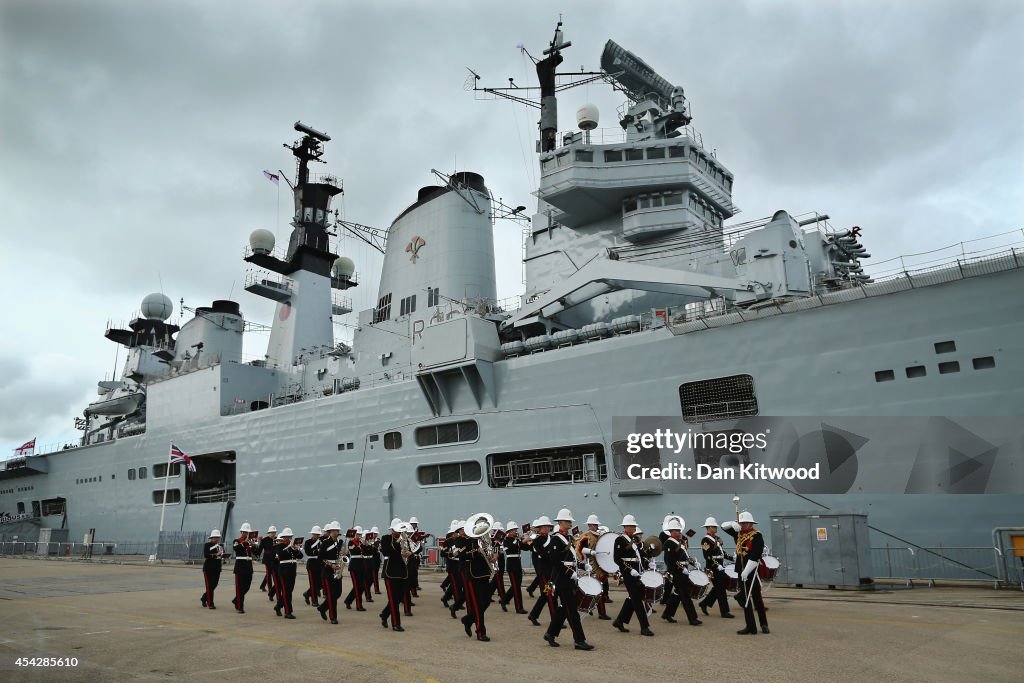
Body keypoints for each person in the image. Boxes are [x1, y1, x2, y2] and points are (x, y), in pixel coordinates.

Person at [543, 508, 594, 650]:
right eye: (567, 521)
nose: (570, 523)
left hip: (570, 578)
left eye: (570, 521)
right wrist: (568, 572)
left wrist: (583, 566)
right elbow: (554, 561)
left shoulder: (568, 538)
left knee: (564, 609)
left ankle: (550, 633)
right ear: (560, 522)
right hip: (562, 580)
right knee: (572, 611)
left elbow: (571, 559)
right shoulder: (555, 539)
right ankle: (579, 640)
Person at [722, 511, 769, 635]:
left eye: (745, 523)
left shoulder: (757, 536)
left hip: (752, 571)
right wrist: (732, 524)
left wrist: (747, 571)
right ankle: (750, 626)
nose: (742, 525)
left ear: (750, 523)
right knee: (746, 599)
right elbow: (723, 526)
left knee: (757, 598)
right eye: (741, 523)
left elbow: (755, 555)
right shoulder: (738, 533)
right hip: (740, 570)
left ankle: (764, 624)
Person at [611, 515, 654, 636]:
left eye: (634, 526)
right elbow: (617, 558)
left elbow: (639, 557)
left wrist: (647, 564)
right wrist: (629, 570)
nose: (634, 528)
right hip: (629, 573)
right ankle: (644, 627)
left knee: (634, 597)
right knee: (637, 599)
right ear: (625, 526)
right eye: (631, 526)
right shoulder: (620, 540)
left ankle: (619, 620)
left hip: (637, 572)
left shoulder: (634, 540)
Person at [661, 517, 702, 626]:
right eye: (676, 531)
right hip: (676, 572)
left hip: (683, 571)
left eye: (679, 530)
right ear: (671, 532)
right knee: (685, 596)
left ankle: (667, 613)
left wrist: (693, 563)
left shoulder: (680, 542)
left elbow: (685, 557)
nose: (678, 532)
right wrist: (681, 568)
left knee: (678, 593)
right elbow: (670, 560)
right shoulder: (668, 543)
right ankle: (693, 618)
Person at [460, 514, 495, 642]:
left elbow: (494, 549)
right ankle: (480, 632)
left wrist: (495, 554)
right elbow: (462, 555)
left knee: (485, 602)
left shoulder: (486, 539)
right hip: (473, 575)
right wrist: (477, 552)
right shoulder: (466, 541)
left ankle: (468, 620)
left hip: (484, 573)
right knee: (478, 605)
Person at [698, 517, 735, 619]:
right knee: (721, 589)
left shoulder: (717, 538)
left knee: (720, 587)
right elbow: (707, 556)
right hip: (713, 568)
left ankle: (704, 603)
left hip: (720, 566)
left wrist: (732, 558)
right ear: (709, 527)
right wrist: (716, 564)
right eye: (714, 526)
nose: (716, 528)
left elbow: (721, 553)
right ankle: (725, 612)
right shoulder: (705, 540)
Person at [576, 514, 611, 620]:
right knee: (597, 588)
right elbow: (579, 549)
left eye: (596, 525)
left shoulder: (599, 535)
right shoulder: (586, 536)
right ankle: (601, 612)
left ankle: (587, 606)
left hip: (601, 564)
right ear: (590, 525)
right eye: (594, 524)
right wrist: (590, 552)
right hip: (592, 564)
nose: (596, 526)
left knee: (597, 587)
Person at [380, 519, 411, 632]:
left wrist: (409, 553)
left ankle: (384, 614)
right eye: (398, 529)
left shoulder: (405, 538)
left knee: (397, 599)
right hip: (390, 572)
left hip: (402, 572)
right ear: (393, 529)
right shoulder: (386, 538)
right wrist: (397, 541)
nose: (400, 531)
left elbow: (409, 550)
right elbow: (385, 551)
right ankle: (396, 624)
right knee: (393, 599)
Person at [526, 516, 556, 626]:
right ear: (541, 528)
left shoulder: (552, 538)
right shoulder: (537, 541)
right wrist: (554, 555)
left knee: (545, 595)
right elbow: (543, 555)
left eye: (549, 526)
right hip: (545, 573)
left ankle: (533, 615)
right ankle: (555, 620)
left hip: (551, 572)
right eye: (547, 526)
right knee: (550, 595)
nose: (548, 528)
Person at [317, 521, 343, 624]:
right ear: (331, 531)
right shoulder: (325, 543)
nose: (337, 532)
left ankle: (323, 608)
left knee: (338, 593)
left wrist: (344, 554)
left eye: (338, 530)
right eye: (336, 530)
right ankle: (333, 617)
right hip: (328, 571)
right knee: (332, 595)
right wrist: (330, 565)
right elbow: (320, 558)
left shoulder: (340, 542)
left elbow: (341, 555)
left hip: (337, 570)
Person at [499, 520, 527, 614]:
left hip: (518, 564)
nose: (516, 531)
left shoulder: (517, 540)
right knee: (516, 587)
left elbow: (525, 548)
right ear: (509, 531)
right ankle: (519, 608)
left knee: (516, 585)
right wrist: (518, 540)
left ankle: (504, 600)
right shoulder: (506, 540)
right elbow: (509, 548)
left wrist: (527, 541)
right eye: (514, 530)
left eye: (516, 530)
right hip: (511, 565)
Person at [274, 528, 301, 619]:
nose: (289, 538)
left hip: (292, 571)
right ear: (283, 537)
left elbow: (300, 556)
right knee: (286, 592)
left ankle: (278, 606)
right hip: (284, 571)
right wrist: (290, 546)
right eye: (287, 537)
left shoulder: (292, 546)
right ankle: (288, 612)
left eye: (290, 537)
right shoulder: (279, 546)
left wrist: (296, 549)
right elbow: (281, 555)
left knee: (289, 591)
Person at [231, 522, 258, 613]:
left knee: (247, 586)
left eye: (248, 533)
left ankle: (236, 600)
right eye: (245, 532)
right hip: (240, 567)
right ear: (241, 532)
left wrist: (254, 545)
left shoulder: (249, 542)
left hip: (248, 567)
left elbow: (256, 553)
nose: (246, 534)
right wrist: (244, 543)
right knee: (240, 587)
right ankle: (240, 606)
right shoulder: (237, 541)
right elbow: (236, 549)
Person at [344, 527, 367, 611]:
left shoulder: (360, 542)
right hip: (354, 566)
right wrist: (361, 545)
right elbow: (354, 551)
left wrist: (365, 544)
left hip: (361, 566)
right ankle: (359, 605)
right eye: (358, 534)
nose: (359, 536)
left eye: (360, 534)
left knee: (361, 586)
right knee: (357, 587)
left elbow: (366, 551)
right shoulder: (351, 542)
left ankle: (348, 600)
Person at [200, 529, 223, 609]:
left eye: (217, 537)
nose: (216, 539)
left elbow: (221, 554)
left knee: (214, 585)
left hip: (217, 568)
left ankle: (204, 597)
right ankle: (210, 603)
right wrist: (216, 554)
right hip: (208, 568)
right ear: (211, 538)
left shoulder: (220, 546)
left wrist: (223, 554)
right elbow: (206, 555)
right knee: (209, 586)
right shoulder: (207, 545)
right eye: (215, 537)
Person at [303, 525, 322, 608]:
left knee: (320, 584)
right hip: (311, 564)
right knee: (313, 584)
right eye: (315, 534)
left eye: (318, 534)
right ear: (312, 534)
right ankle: (314, 601)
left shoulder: (321, 542)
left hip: (319, 564)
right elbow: (308, 552)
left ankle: (307, 593)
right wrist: (317, 551)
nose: (317, 536)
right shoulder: (307, 542)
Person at [258, 525, 277, 597]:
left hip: (274, 559)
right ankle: (270, 589)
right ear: (269, 533)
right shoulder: (264, 540)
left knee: (270, 573)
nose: (273, 534)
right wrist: (257, 555)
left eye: (274, 532)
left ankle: (262, 586)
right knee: (269, 574)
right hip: (267, 559)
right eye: (272, 532)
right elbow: (260, 549)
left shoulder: (276, 539)